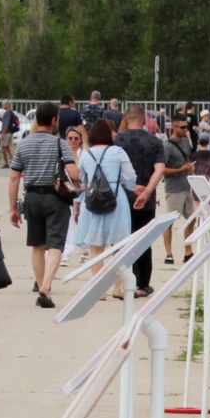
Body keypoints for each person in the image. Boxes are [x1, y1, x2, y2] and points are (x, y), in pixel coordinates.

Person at [9, 100, 72, 308]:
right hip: (55, 197)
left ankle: (40, 282)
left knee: (37, 245)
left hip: (32, 198)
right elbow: (73, 172)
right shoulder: (60, 143)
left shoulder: (24, 143)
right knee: (55, 245)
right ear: (54, 120)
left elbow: (14, 178)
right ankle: (46, 286)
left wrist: (12, 208)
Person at [72, 116, 139, 298]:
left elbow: (82, 178)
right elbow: (131, 176)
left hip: (93, 200)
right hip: (115, 199)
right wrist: (124, 184)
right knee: (119, 247)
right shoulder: (117, 152)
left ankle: (99, 289)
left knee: (96, 248)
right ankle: (117, 288)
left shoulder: (86, 154)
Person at [114, 106, 167, 295]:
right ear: (144, 120)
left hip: (122, 197)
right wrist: (147, 193)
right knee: (144, 241)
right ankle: (142, 284)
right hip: (147, 198)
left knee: (123, 240)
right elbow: (160, 169)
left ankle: (122, 281)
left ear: (126, 119)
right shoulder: (154, 141)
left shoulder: (117, 140)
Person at [157, 114, 198, 259]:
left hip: (186, 186)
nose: (185, 129)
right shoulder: (167, 146)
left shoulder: (186, 141)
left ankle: (188, 250)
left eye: (186, 127)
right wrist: (180, 170)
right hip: (174, 188)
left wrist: (190, 168)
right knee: (169, 221)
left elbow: (187, 156)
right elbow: (162, 169)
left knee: (192, 218)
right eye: (182, 127)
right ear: (173, 127)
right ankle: (169, 253)